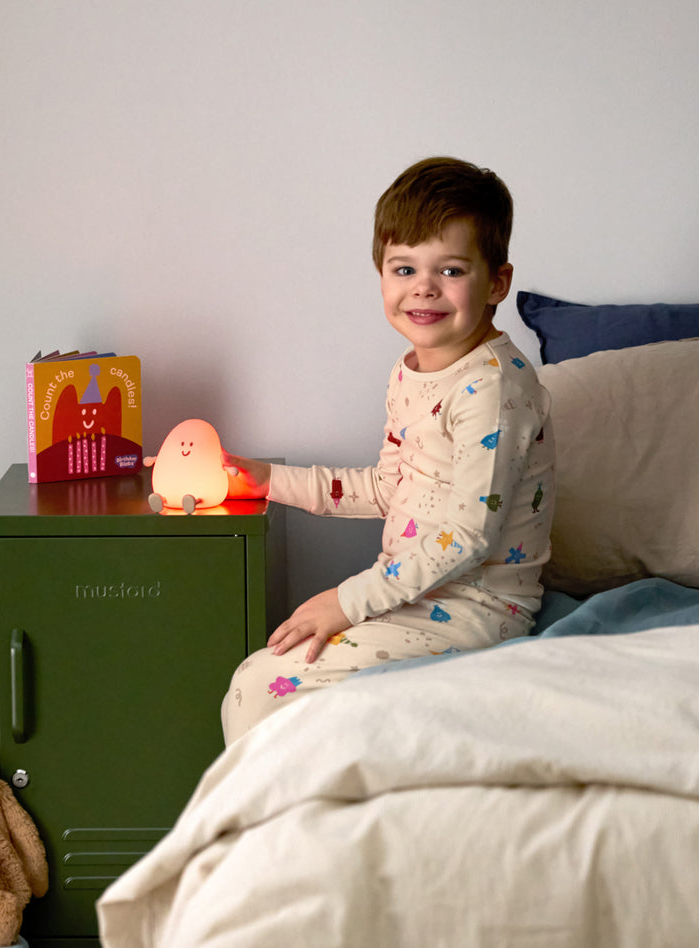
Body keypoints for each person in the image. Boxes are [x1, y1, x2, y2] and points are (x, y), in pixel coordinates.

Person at [221, 156, 555, 744]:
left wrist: (347, 603)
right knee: (258, 679)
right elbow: (386, 488)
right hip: (412, 592)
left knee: (259, 690)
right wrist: (269, 480)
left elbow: (469, 535)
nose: (423, 287)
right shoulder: (410, 374)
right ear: (381, 274)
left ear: (497, 282)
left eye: (450, 270)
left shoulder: (494, 387)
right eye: (404, 268)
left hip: (478, 608)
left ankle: (280, 833)